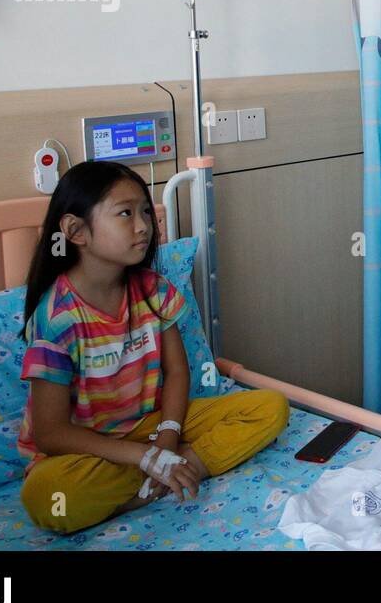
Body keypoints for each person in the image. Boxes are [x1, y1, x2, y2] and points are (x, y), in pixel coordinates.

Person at [17, 160, 288, 533]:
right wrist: (145, 457)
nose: (144, 225)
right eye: (125, 214)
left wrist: (167, 437)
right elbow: (51, 433)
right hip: (87, 449)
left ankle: (170, 474)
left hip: (151, 425)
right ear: (76, 230)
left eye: (145, 211)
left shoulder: (152, 291)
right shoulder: (57, 318)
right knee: (51, 499)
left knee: (270, 407)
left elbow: (177, 371)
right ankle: (159, 479)